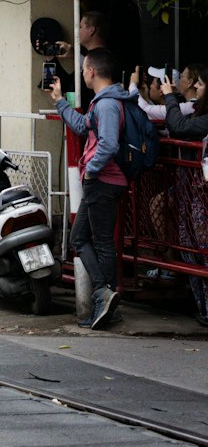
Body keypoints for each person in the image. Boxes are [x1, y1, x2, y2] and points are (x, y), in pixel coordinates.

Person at [51, 48, 129, 330]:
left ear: (92, 71)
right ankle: (105, 297)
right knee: (81, 238)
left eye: (83, 68)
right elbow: (84, 126)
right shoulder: (103, 102)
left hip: (104, 181)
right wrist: (60, 102)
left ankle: (104, 296)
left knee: (99, 241)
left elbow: (108, 144)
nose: (82, 73)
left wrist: (91, 172)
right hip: (102, 181)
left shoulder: (107, 105)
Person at [159, 69, 208, 326]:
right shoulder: (197, 110)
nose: (197, 88)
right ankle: (202, 306)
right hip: (193, 191)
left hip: (199, 193)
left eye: (201, 83)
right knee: (191, 244)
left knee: (200, 245)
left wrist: (168, 97)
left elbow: (179, 126)